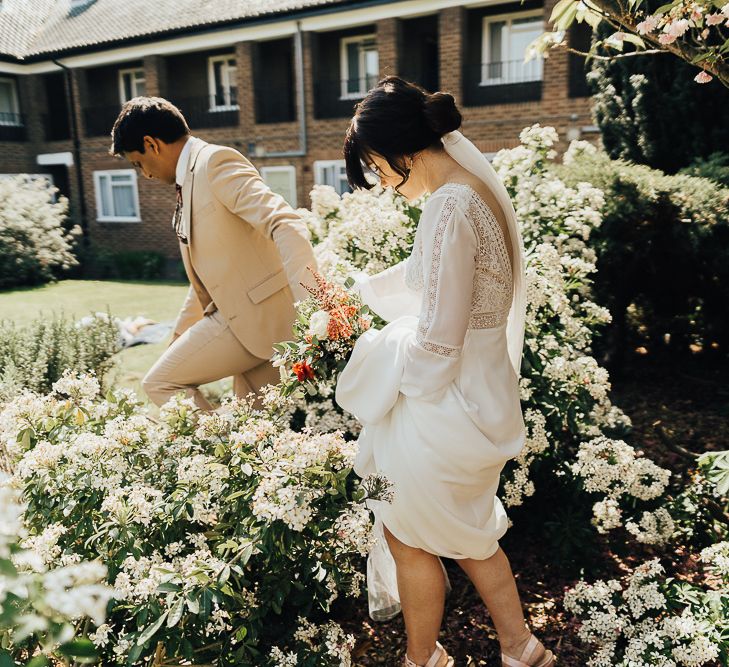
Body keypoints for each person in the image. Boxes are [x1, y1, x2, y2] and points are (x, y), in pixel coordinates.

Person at [335, 77, 555, 667]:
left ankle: (422, 660)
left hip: (446, 403)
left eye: (378, 168)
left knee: (409, 536)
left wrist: (390, 376)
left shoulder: (448, 204)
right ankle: (519, 646)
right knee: (470, 533)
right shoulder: (474, 189)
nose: (382, 183)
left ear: (399, 152)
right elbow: (443, 289)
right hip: (483, 396)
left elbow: (438, 337)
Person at [109, 97, 316, 410]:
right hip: (246, 325)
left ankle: (212, 447)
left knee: (159, 383)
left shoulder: (215, 162)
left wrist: (314, 307)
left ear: (151, 144)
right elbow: (207, 278)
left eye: (138, 163)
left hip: (261, 318)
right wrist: (179, 337)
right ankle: (226, 450)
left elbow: (285, 223)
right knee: (262, 432)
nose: (145, 174)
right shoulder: (188, 181)